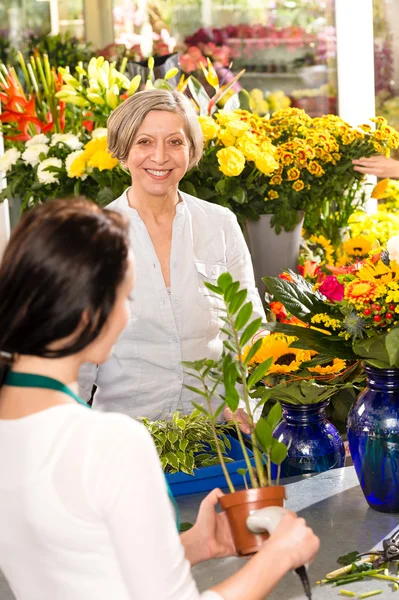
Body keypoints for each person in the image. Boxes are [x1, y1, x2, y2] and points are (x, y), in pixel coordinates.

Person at [0, 198, 319, 600]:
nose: (128, 318)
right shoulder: (109, 442)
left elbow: (74, 565)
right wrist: (279, 556)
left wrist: (193, 547)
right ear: (87, 313)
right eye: (125, 299)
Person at [78, 89, 265, 431]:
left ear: (191, 150)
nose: (160, 157)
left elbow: (248, 329)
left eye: (175, 142)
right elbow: (77, 359)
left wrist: (246, 403)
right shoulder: (92, 238)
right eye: (145, 142)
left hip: (218, 436)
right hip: (126, 436)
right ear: (123, 149)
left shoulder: (220, 223)